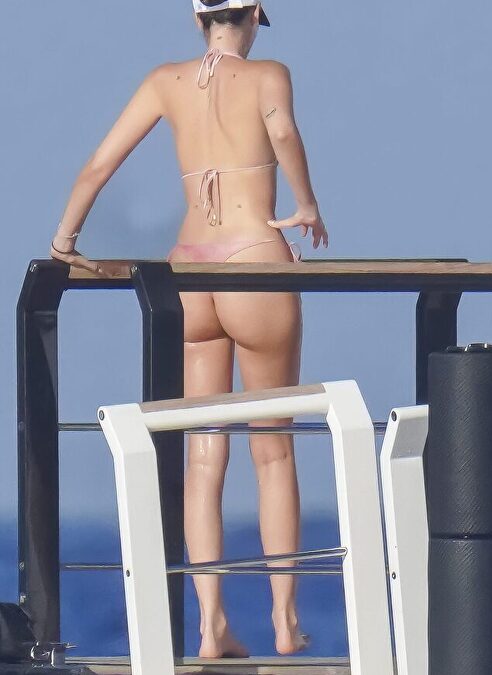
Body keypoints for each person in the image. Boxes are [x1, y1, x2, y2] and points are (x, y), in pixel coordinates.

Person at [49, 0, 328, 658]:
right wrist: (306, 202)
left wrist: (64, 242)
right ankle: (285, 621)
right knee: (273, 449)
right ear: (253, 15)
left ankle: (210, 626)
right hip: (253, 259)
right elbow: (284, 133)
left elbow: (98, 164)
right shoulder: (268, 75)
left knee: (203, 454)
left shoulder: (164, 81)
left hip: (189, 267)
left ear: (196, 19)